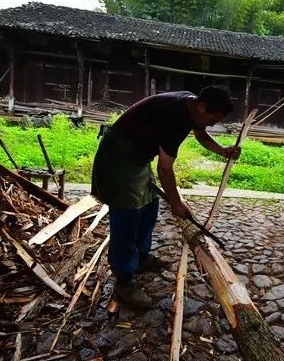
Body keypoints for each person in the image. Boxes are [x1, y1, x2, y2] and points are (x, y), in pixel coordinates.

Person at [90, 86, 241, 307]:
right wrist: (176, 202)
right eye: (211, 119)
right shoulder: (175, 117)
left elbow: (200, 133)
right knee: (127, 215)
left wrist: (222, 151)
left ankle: (140, 258)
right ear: (201, 106)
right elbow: (165, 169)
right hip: (118, 155)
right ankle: (124, 280)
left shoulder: (192, 106)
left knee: (150, 204)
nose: (211, 125)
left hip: (138, 156)